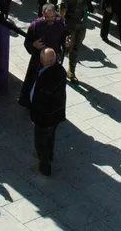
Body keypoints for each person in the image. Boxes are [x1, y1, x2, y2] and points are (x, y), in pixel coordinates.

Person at [19, 5, 69, 108]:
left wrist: (67, 43)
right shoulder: (36, 25)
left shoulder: (60, 24)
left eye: (52, 17)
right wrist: (34, 45)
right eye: (48, 17)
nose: (51, 20)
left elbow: (65, 38)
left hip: (53, 60)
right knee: (34, 83)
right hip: (38, 61)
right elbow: (27, 41)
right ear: (43, 15)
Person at [28, 47, 67, 177]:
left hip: (44, 118)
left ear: (43, 61)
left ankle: (44, 168)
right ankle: (49, 155)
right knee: (50, 137)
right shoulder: (60, 71)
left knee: (41, 142)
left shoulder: (45, 78)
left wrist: (34, 118)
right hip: (56, 114)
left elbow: (39, 102)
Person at [59, 0, 88, 82]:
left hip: (81, 26)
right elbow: (62, 14)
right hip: (69, 27)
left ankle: (71, 71)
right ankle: (57, 69)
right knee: (65, 49)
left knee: (75, 49)